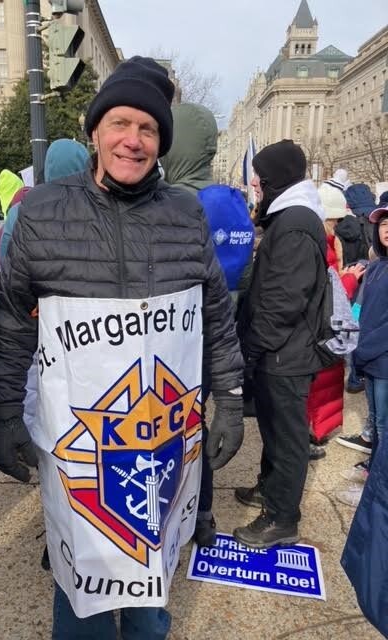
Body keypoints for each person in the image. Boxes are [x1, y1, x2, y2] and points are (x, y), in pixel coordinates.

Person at [0, 56, 244, 639]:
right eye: (121, 124)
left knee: (152, 587)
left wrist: (229, 395)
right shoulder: (43, 211)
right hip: (83, 445)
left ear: (162, 142)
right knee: (82, 598)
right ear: (95, 132)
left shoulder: (184, 214)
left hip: (161, 441)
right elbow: (11, 328)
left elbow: (215, 316)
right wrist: (2, 415)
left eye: (148, 129)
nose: (133, 140)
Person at [161, 102, 253, 547]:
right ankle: (205, 516)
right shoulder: (230, 203)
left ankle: (174, 513)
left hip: (175, 342)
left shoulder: (171, 205)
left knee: (170, 430)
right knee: (200, 426)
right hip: (221, 337)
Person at [234, 139, 326, 549]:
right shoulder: (290, 218)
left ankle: (282, 518)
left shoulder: (294, 223)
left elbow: (284, 300)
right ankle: (271, 491)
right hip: (281, 350)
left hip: (285, 354)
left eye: (260, 175)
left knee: (287, 439)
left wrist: (252, 350)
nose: (254, 182)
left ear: (277, 179)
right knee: (274, 431)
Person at [306, 185, 365, 458]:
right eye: (336, 220)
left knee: (323, 387)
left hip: (324, 330)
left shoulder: (323, 239)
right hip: (322, 330)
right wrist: (350, 278)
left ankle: (315, 432)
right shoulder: (321, 242)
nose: (339, 225)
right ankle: (312, 434)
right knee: (319, 388)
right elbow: (329, 292)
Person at [336, 202, 388, 508]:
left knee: (384, 425)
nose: (386, 230)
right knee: (377, 421)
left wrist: (365, 348)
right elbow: (362, 309)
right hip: (369, 359)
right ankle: (374, 472)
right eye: (382, 224)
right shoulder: (376, 268)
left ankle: (378, 487)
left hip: (382, 361)